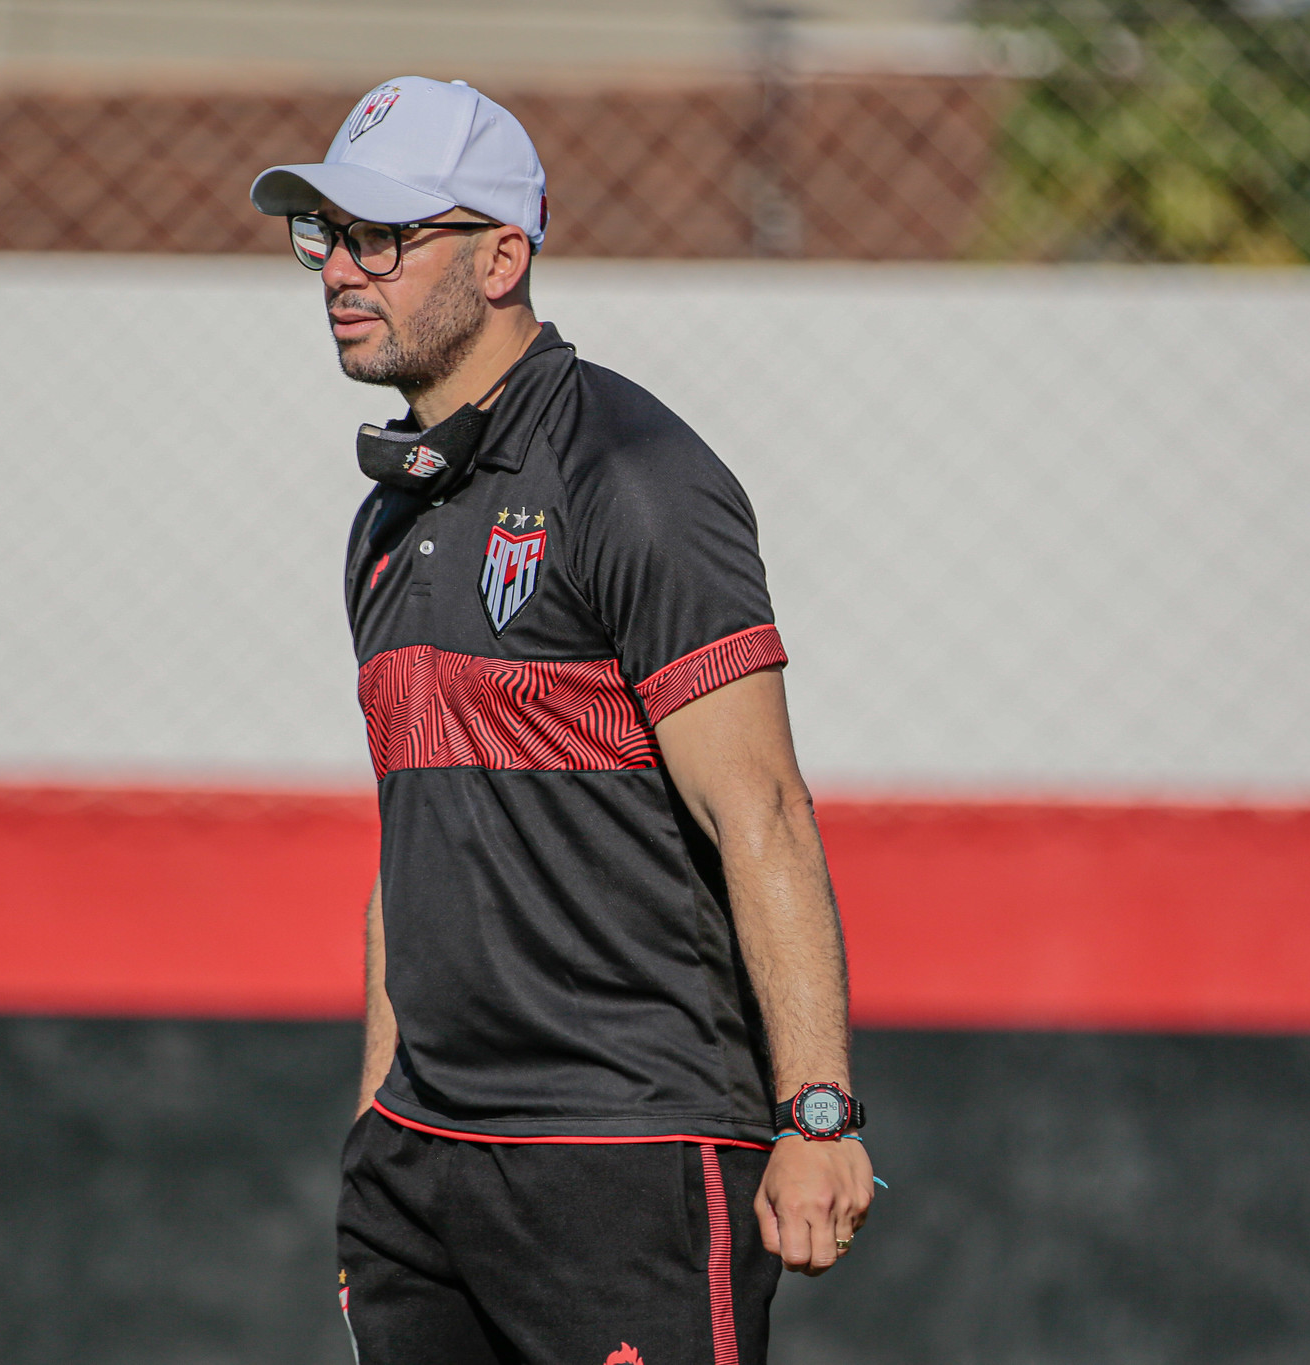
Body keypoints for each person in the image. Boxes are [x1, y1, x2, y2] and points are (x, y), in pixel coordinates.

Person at [250, 77, 873, 1365]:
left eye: (383, 237)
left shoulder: (634, 475)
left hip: (626, 1153)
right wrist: (376, 1127)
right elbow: (411, 842)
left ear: (502, 257)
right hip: (423, 1168)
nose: (340, 271)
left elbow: (758, 804)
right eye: (326, 235)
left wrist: (816, 1116)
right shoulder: (388, 520)